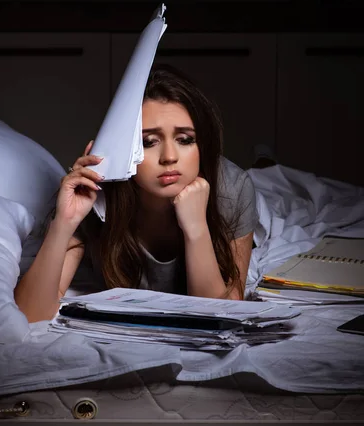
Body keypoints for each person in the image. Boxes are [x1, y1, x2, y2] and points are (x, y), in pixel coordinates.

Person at [14, 64, 258, 323]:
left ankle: (264, 161)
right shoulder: (95, 194)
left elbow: (220, 316)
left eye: (185, 139)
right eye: (148, 142)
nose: (170, 157)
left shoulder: (231, 188)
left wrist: (196, 229)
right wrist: (65, 221)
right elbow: (30, 313)